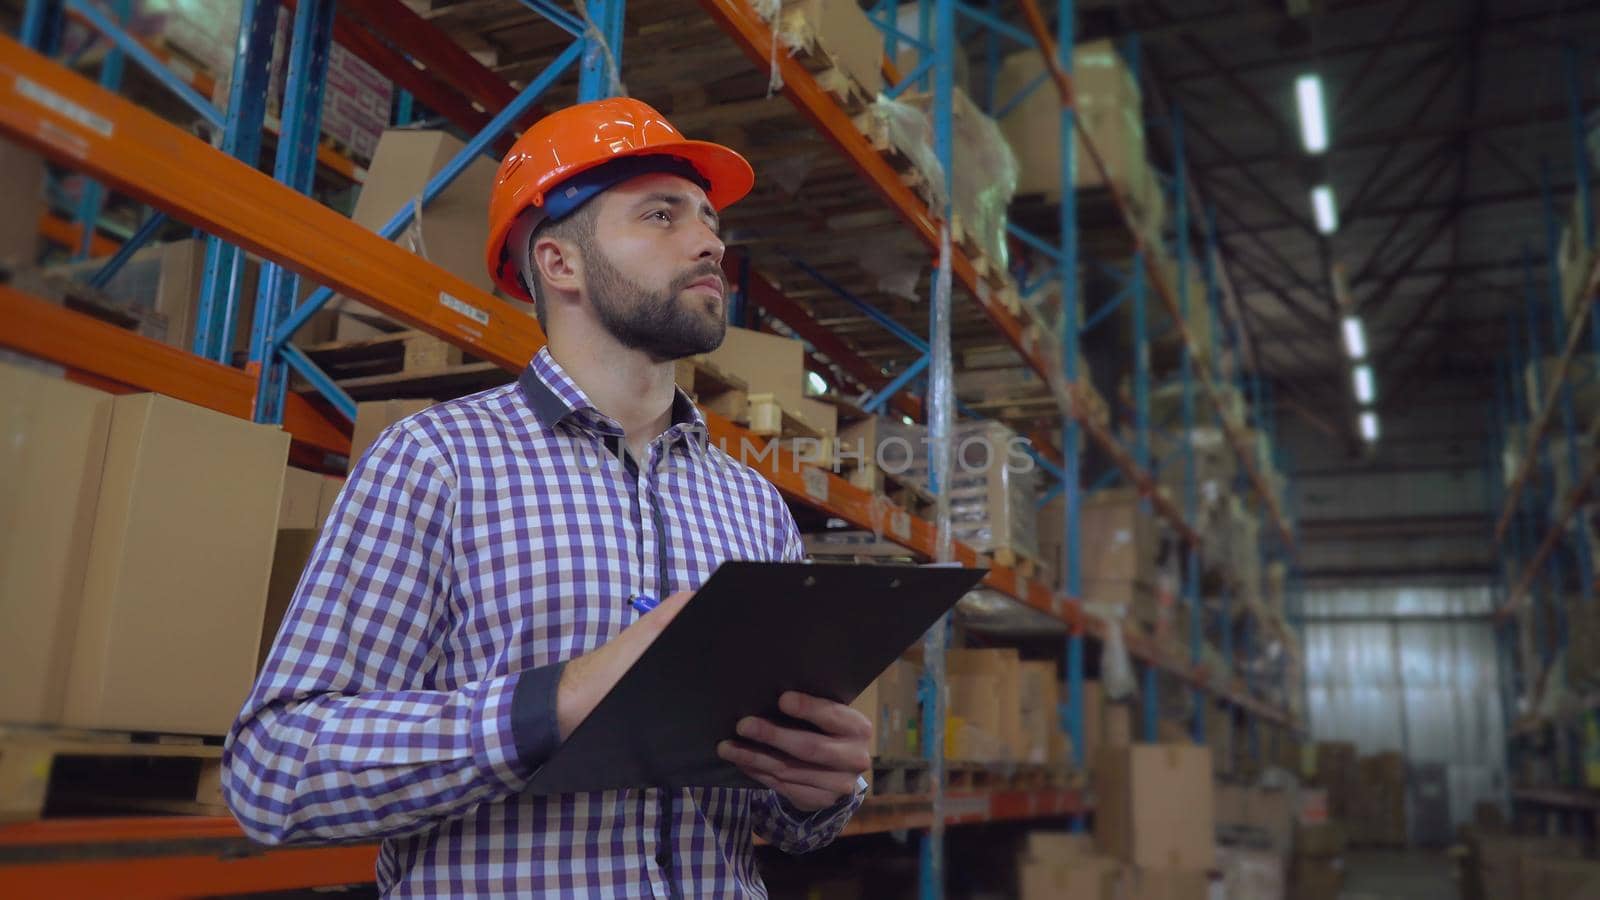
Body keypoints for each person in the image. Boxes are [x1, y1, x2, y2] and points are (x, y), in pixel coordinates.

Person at [222, 98, 872, 898]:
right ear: (559, 263)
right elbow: (273, 771)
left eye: (709, 221)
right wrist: (554, 705)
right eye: (662, 216)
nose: (709, 243)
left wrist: (822, 791)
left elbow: (784, 813)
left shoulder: (753, 507)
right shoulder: (439, 463)